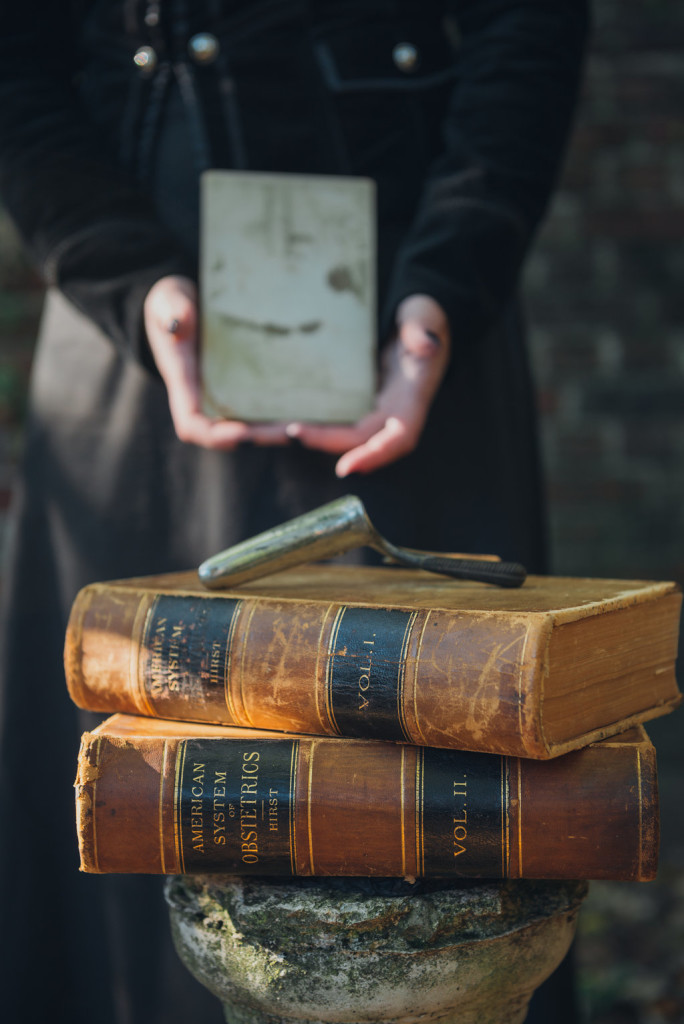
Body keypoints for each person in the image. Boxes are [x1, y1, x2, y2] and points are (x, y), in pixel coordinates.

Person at [0, 2, 589, 1022]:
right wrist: (120, 267)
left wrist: (451, 275)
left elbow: (525, 28)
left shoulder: (436, 305)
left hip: (417, 332)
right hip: (131, 339)